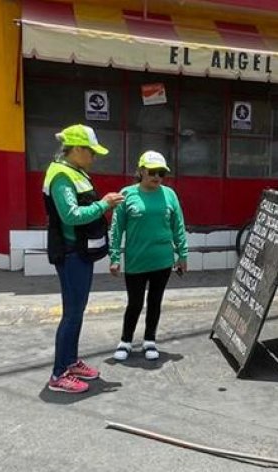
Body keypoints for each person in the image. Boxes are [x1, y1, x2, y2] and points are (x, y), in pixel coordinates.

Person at [44, 125, 124, 394]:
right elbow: (71, 215)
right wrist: (104, 204)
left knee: (77, 312)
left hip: (81, 253)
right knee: (72, 314)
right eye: (91, 152)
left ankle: (70, 362)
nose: (94, 157)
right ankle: (58, 374)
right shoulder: (61, 176)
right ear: (77, 149)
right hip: (71, 253)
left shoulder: (76, 172)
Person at [109, 151, 189, 362]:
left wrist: (183, 254)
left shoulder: (169, 194)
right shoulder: (127, 194)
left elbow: (178, 225)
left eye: (161, 173)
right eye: (152, 172)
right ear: (141, 171)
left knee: (155, 301)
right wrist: (114, 256)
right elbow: (116, 229)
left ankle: (149, 340)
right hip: (137, 260)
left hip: (162, 260)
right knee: (134, 303)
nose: (157, 177)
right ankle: (125, 341)